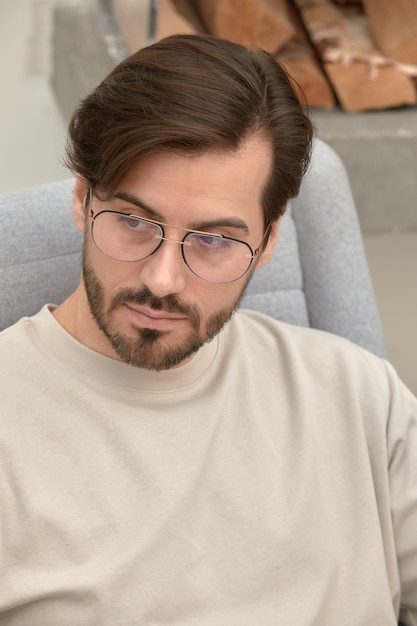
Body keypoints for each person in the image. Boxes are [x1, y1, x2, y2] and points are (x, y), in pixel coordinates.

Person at [0, 33, 416, 626]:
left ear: (269, 241)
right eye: (134, 222)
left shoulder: (360, 397)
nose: (164, 279)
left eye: (216, 240)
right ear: (81, 199)